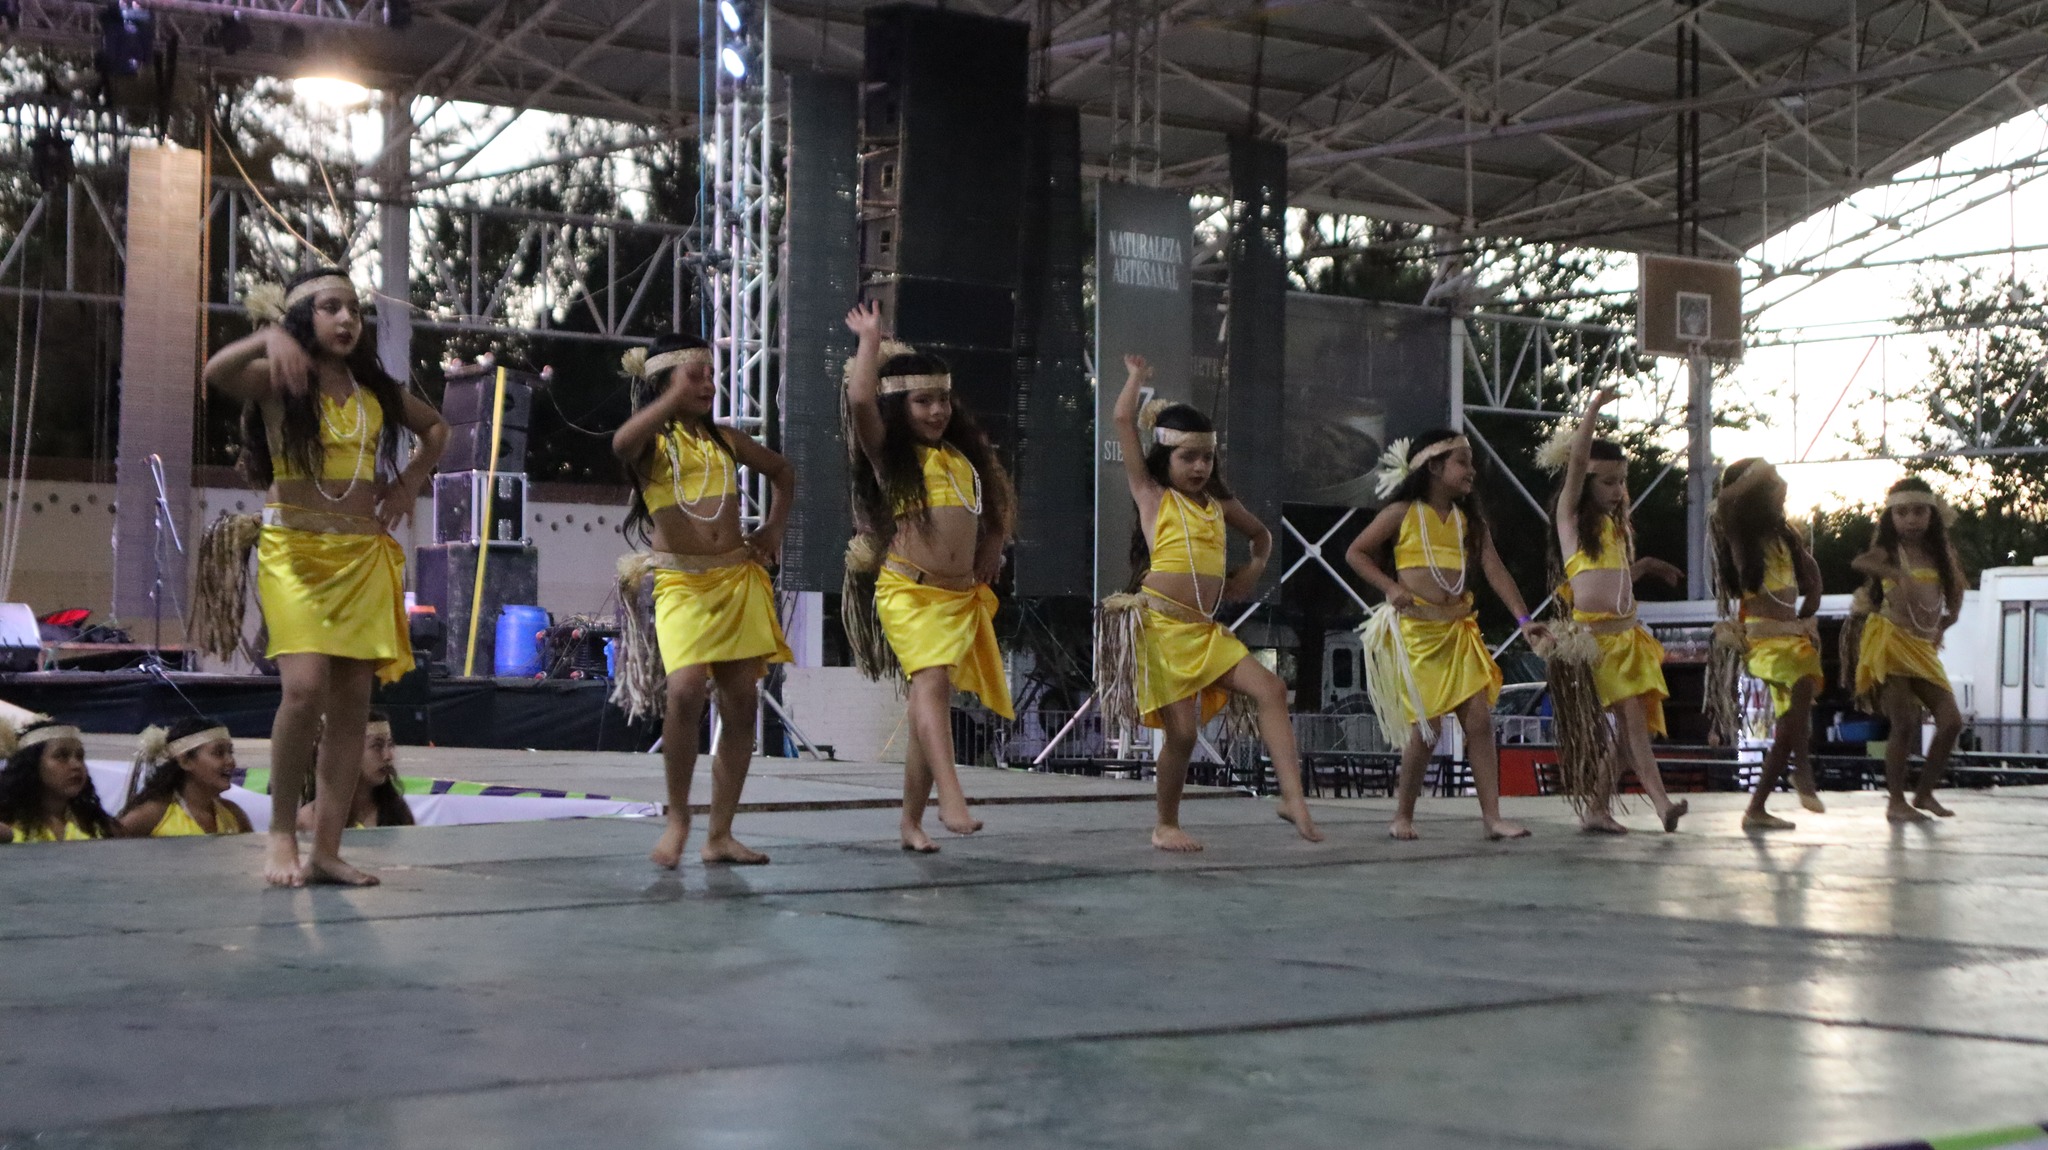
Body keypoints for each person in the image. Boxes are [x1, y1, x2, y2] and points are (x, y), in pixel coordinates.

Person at [197, 267, 448, 886]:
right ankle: (283, 833)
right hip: (295, 554)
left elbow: (437, 429)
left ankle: (328, 849)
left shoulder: (374, 389)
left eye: (354, 310)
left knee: (352, 706)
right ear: (302, 317)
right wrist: (268, 339)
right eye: (331, 307)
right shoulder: (282, 378)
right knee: (304, 689)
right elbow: (216, 373)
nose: (346, 320)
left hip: (361, 556)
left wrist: (409, 482)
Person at [1097, 354, 1320, 850]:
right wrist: (1135, 378)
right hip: (1162, 629)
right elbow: (1122, 420)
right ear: (1165, 458)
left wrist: (1252, 570)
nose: (1200, 467)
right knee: (1181, 734)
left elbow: (1261, 537)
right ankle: (1165, 824)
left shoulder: (1219, 505)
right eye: (1188, 458)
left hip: (1204, 631)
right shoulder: (1152, 495)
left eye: (1206, 458)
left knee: (1271, 689)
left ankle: (1293, 799)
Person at [609, 333, 793, 868]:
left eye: (711, 375)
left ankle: (720, 834)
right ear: (663, 383)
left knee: (741, 704)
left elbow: (784, 473)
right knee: (685, 691)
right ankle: (678, 820)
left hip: (736, 580)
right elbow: (620, 443)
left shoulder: (726, 440)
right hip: (682, 585)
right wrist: (668, 401)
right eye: (695, 375)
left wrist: (773, 530)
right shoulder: (651, 446)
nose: (708, 384)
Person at [842, 302, 1015, 853]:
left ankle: (910, 823)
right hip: (909, 592)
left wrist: (992, 543)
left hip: (958, 598)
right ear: (899, 406)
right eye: (922, 401)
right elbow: (860, 399)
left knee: (928, 704)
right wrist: (869, 341)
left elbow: (999, 508)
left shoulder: (964, 458)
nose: (937, 410)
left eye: (942, 399)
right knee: (932, 684)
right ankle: (951, 795)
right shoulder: (890, 456)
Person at [1346, 431, 1544, 841]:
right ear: (1434, 467)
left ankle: (1492, 818)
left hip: (1458, 631)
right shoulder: (1401, 513)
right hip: (1418, 636)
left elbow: (1495, 570)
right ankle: (1403, 815)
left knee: (1480, 723)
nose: (1472, 471)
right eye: (1463, 462)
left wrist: (1524, 620)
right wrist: (1390, 587)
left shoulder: (1470, 522)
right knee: (1426, 730)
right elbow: (1356, 553)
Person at [1537, 390, 1688, 834]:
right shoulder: (1569, 519)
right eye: (1607, 482)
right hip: (1599, 642)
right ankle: (1662, 805)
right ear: (1584, 482)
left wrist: (1648, 566)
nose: (1618, 491)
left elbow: (1614, 581)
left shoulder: (1613, 528)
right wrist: (1593, 411)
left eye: (1622, 482)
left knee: (1631, 733)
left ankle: (1597, 809)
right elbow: (1578, 459)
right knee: (1633, 722)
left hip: (1629, 636)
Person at [1709, 458, 1826, 831]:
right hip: (1763, 641)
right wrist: (1757, 471)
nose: (1783, 484)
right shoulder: (1740, 535)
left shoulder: (1784, 536)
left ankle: (1756, 809)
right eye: (1773, 481)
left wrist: (1815, 593)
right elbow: (1726, 500)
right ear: (1756, 493)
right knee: (1804, 678)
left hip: (1791, 636)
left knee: (1790, 727)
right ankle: (1802, 769)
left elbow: (1809, 569)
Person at [1849, 476, 1966, 822]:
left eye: (1918, 512)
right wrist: (1897, 574)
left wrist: (1948, 620)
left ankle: (1924, 793)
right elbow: (1860, 563)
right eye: (1902, 513)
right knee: (1904, 722)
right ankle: (1896, 802)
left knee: (1951, 722)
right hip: (1890, 640)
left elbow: (1956, 588)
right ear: (1891, 518)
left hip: (1921, 648)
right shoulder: (1889, 551)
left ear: (1932, 515)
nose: (1911, 520)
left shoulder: (1940, 554)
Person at [117, 716, 253, 837]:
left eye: (231, 752)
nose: (231, 761)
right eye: (218, 753)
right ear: (185, 761)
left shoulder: (234, 814)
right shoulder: (152, 814)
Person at [0, 719, 117, 843]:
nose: (76, 765)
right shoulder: (7, 823)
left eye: (80, 757)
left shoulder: (95, 826)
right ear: (32, 764)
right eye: (61, 756)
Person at [297, 711, 416, 831]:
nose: (388, 756)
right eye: (377, 746)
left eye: (390, 745)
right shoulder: (310, 819)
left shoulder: (397, 813)